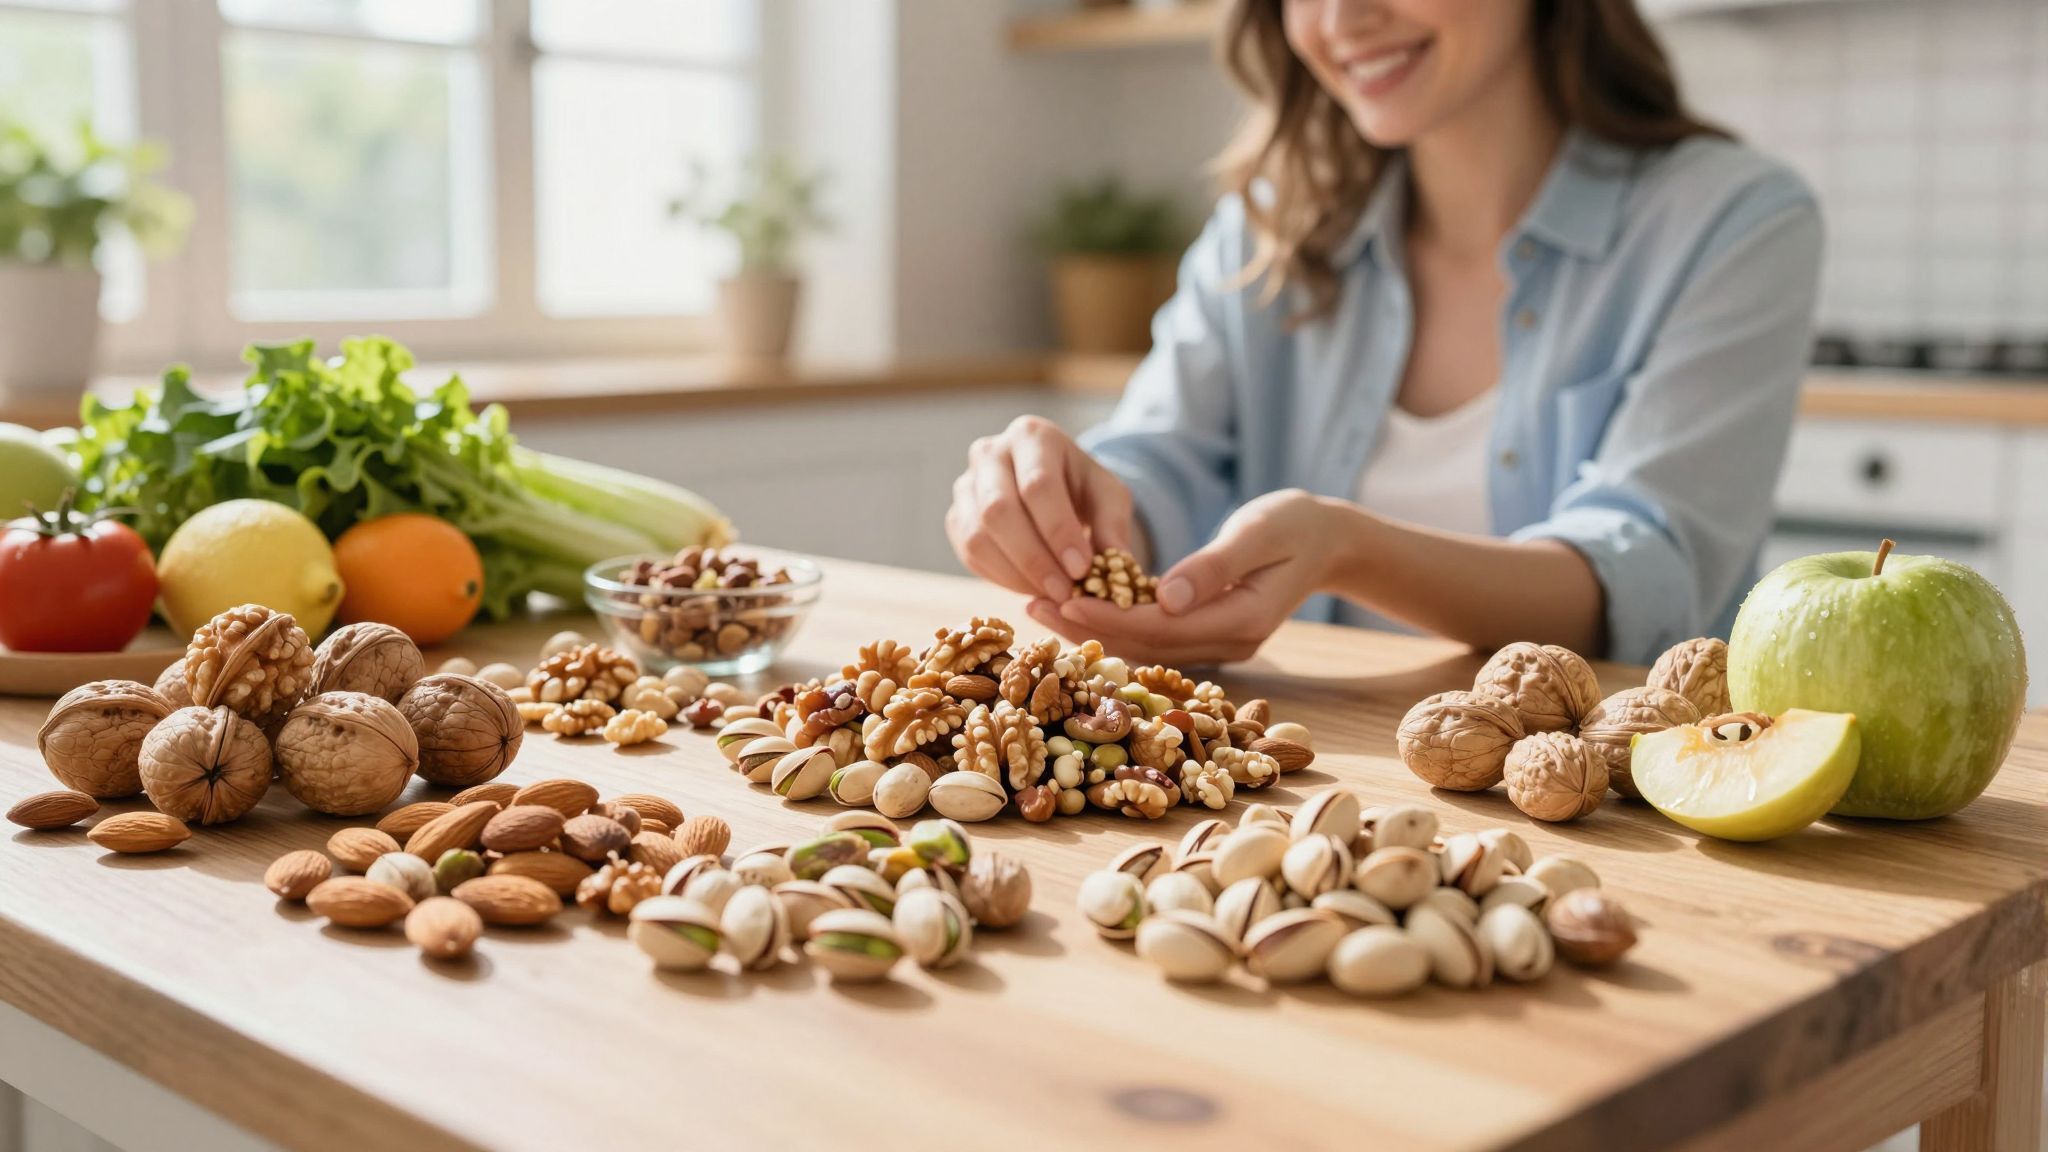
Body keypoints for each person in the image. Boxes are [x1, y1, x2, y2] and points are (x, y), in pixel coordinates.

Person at [945, 0, 1823, 668]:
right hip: (1313, 793)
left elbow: (1647, 582)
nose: (1340, 20)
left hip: (1612, 811)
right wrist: (1067, 507)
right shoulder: (1266, 227)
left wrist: (1349, 549)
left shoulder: (1733, 220)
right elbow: (1161, 464)